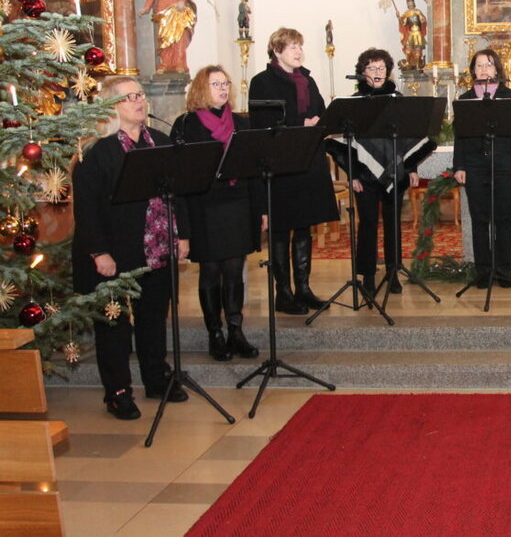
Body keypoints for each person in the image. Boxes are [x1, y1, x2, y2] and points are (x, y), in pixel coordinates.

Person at [72, 76, 190, 420]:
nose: (140, 101)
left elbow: (179, 193)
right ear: (112, 107)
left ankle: (157, 378)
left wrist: (182, 235)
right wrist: (99, 253)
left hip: (157, 248)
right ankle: (118, 391)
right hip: (115, 252)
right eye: (130, 97)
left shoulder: (162, 141)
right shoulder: (96, 152)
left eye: (140, 95)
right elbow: (87, 210)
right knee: (115, 327)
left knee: (153, 318)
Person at [171, 66, 260, 362]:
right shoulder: (187, 124)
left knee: (235, 270)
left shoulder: (241, 123)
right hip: (204, 207)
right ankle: (215, 333)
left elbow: (254, 170)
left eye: (226, 83)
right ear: (201, 88)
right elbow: (179, 177)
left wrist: (260, 211)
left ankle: (235, 329)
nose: (222, 88)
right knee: (211, 272)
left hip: (237, 203)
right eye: (215, 84)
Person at [248, 28, 338, 314]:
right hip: (281, 165)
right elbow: (263, 123)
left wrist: (318, 122)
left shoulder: (308, 80)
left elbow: (322, 110)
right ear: (277, 51)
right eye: (292, 47)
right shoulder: (261, 82)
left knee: (304, 228)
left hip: (309, 162)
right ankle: (283, 293)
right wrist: (303, 124)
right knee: (280, 231)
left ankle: (304, 288)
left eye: (300, 46)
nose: (299, 51)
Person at [346, 49, 434, 295]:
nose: (377, 73)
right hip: (364, 176)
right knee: (368, 223)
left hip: (394, 173)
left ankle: (393, 272)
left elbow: (409, 136)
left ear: (388, 71)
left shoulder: (397, 98)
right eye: (371, 68)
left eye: (381, 68)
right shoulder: (354, 102)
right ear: (362, 73)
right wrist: (352, 175)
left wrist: (412, 167)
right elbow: (346, 144)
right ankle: (369, 277)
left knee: (393, 223)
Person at [454, 49, 511, 289]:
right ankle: (483, 271)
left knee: (503, 219)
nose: (484, 69)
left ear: (497, 69)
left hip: (504, 165)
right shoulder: (465, 100)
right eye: (480, 65)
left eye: (489, 65)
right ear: (473, 70)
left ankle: (504, 270)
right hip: (474, 166)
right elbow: (460, 137)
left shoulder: (510, 97)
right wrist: (460, 166)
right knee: (479, 220)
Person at [139, 0, 195, 75]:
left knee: (180, 37)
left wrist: (182, 1)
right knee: (164, 38)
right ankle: (165, 63)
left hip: (177, 9)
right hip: (163, 11)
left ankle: (180, 62)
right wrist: (146, 8)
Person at [398, 0, 426, 70]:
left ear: (413, 3)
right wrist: (399, 17)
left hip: (417, 33)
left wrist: (422, 19)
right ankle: (407, 62)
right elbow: (403, 24)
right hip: (411, 33)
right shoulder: (406, 14)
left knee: (418, 49)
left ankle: (417, 65)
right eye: (408, 2)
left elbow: (423, 20)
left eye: (411, 2)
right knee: (408, 48)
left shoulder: (418, 11)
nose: (410, 4)